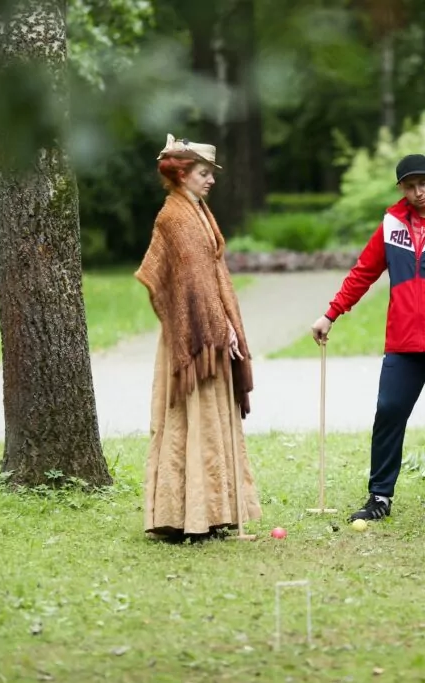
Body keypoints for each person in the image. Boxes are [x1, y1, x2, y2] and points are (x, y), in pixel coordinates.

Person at [310, 154, 425, 523]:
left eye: (422, 183)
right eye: (409, 187)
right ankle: (379, 496)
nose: (418, 192)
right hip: (404, 342)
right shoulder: (391, 223)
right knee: (389, 413)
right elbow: (364, 272)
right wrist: (331, 313)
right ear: (401, 189)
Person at [135, 134, 262, 543]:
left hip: (206, 329)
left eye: (210, 174)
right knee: (189, 416)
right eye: (204, 173)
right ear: (183, 174)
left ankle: (211, 512)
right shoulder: (174, 217)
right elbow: (190, 281)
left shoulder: (198, 210)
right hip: (192, 336)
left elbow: (210, 275)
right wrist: (219, 327)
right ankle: (184, 515)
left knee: (208, 418)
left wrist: (224, 322)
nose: (211, 181)